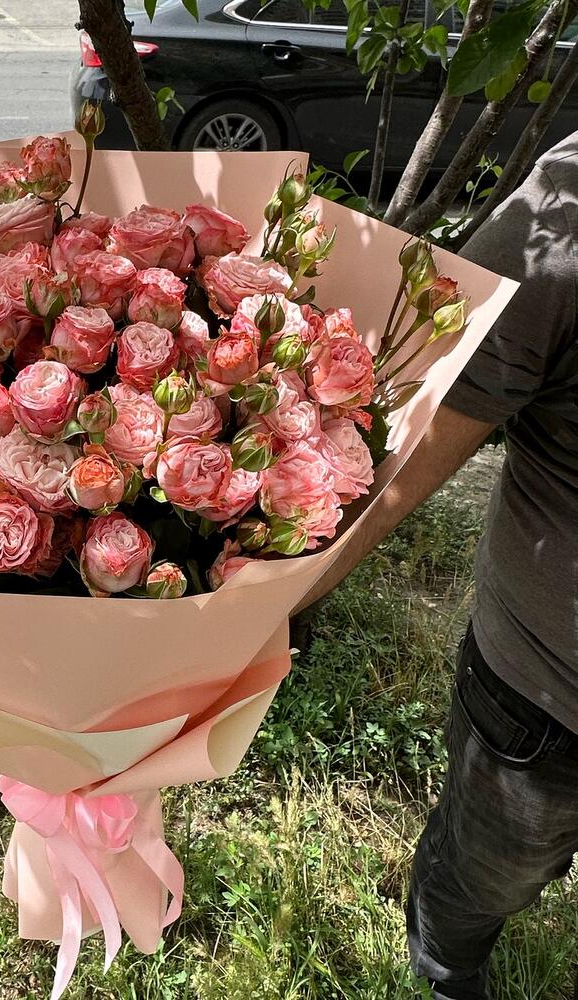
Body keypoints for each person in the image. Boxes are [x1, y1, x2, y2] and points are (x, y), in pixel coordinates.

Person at [299, 133, 578, 1000]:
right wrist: (240, 623)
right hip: (551, 701)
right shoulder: (563, 219)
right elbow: (393, 477)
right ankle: (446, 968)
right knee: (482, 879)